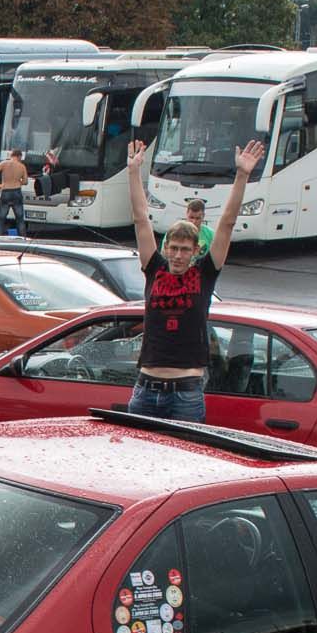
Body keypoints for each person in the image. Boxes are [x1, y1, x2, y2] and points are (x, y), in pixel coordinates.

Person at [123, 136, 265, 422]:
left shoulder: (204, 273)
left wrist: (241, 175)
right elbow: (140, 218)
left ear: (195, 250)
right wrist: (133, 171)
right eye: (173, 248)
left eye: (185, 250)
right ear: (166, 248)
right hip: (146, 388)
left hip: (185, 393)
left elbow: (227, 223)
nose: (178, 255)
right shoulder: (154, 268)